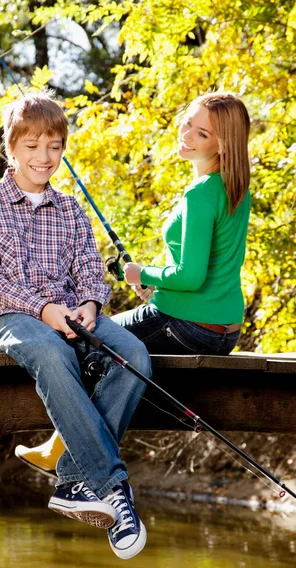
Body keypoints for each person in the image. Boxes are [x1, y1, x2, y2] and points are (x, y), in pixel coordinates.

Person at [0, 90, 151, 561]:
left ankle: (73, 476)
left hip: (74, 315)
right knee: (51, 351)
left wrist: (89, 303)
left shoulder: (69, 210)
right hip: (10, 317)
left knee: (135, 357)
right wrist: (42, 309)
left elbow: (88, 265)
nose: (45, 158)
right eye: (32, 147)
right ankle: (112, 488)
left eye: (55, 147)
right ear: (11, 147)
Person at [19, 91, 252, 476]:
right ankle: (63, 447)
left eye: (202, 134)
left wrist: (140, 274)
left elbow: (190, 277)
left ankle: (70, 453)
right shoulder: (235, 187)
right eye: (188, 122)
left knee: (83, 338)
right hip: (225, 330)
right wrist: (159, 287)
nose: (187, 134)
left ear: (223, 145)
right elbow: (210, 271)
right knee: (105, 343)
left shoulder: (200, 194)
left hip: (188, 325)